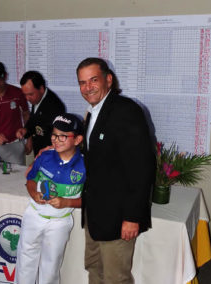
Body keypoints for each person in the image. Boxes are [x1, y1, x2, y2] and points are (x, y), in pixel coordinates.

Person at [76, 57, 156, 284]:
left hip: (118, 217)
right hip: (95, 215)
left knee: (115, 279)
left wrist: (132, 217)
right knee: (94, 270)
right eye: (82, 82)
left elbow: (142, 167)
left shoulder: (126, 111)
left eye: (93, 80)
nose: (87, 87)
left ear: (108, 80)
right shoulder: (93, 113)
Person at [15, 113, 86, 284]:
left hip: (59, 222)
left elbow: (90, 199)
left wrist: (66, 202)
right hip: (34, 216)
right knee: (25, 259)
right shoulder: (45, 156)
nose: (56, 140)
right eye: (54, 135)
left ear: (77, 140)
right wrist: (34, 193)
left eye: (63, 136)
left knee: (51, 266)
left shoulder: (85, 165)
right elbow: (31, 179)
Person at [16, 71, 65, 156]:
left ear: (41, 89)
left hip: (50, 155)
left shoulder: (55, 106)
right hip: (40, 153)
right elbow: (34, 120)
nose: (27, 98)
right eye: (25, 95)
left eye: (30, 94)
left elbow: (57, 138)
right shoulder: (38, 98)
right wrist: (26, 130)